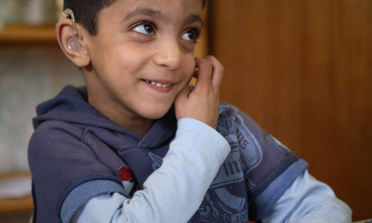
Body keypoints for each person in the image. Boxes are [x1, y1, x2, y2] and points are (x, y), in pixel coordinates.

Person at [28, 0, 352, 222]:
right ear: (76, 42)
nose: (173, 57)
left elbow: (317, 206)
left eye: (188, 34)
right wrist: (197, 137)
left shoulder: (225, 124)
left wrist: (202, 129)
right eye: (145, 27)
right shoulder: (58, 144)